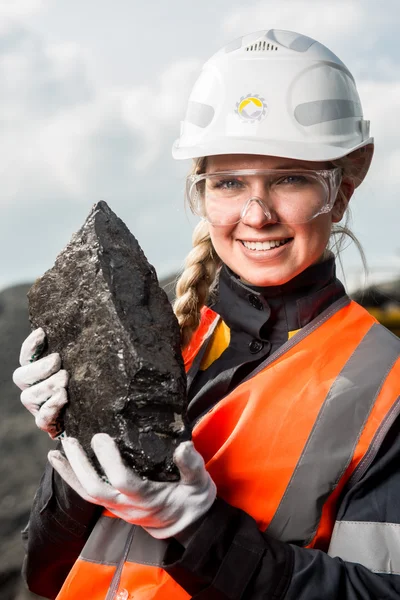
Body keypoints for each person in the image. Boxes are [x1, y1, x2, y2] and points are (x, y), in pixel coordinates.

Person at [13, 29, 400, 600]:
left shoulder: (386, 387)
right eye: (228, 182)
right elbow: (45, 576)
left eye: (290, 178)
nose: (256, 213)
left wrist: (199, 531)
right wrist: (78, 444)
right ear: (202, 189)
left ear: (345, 183)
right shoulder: (167, 341)